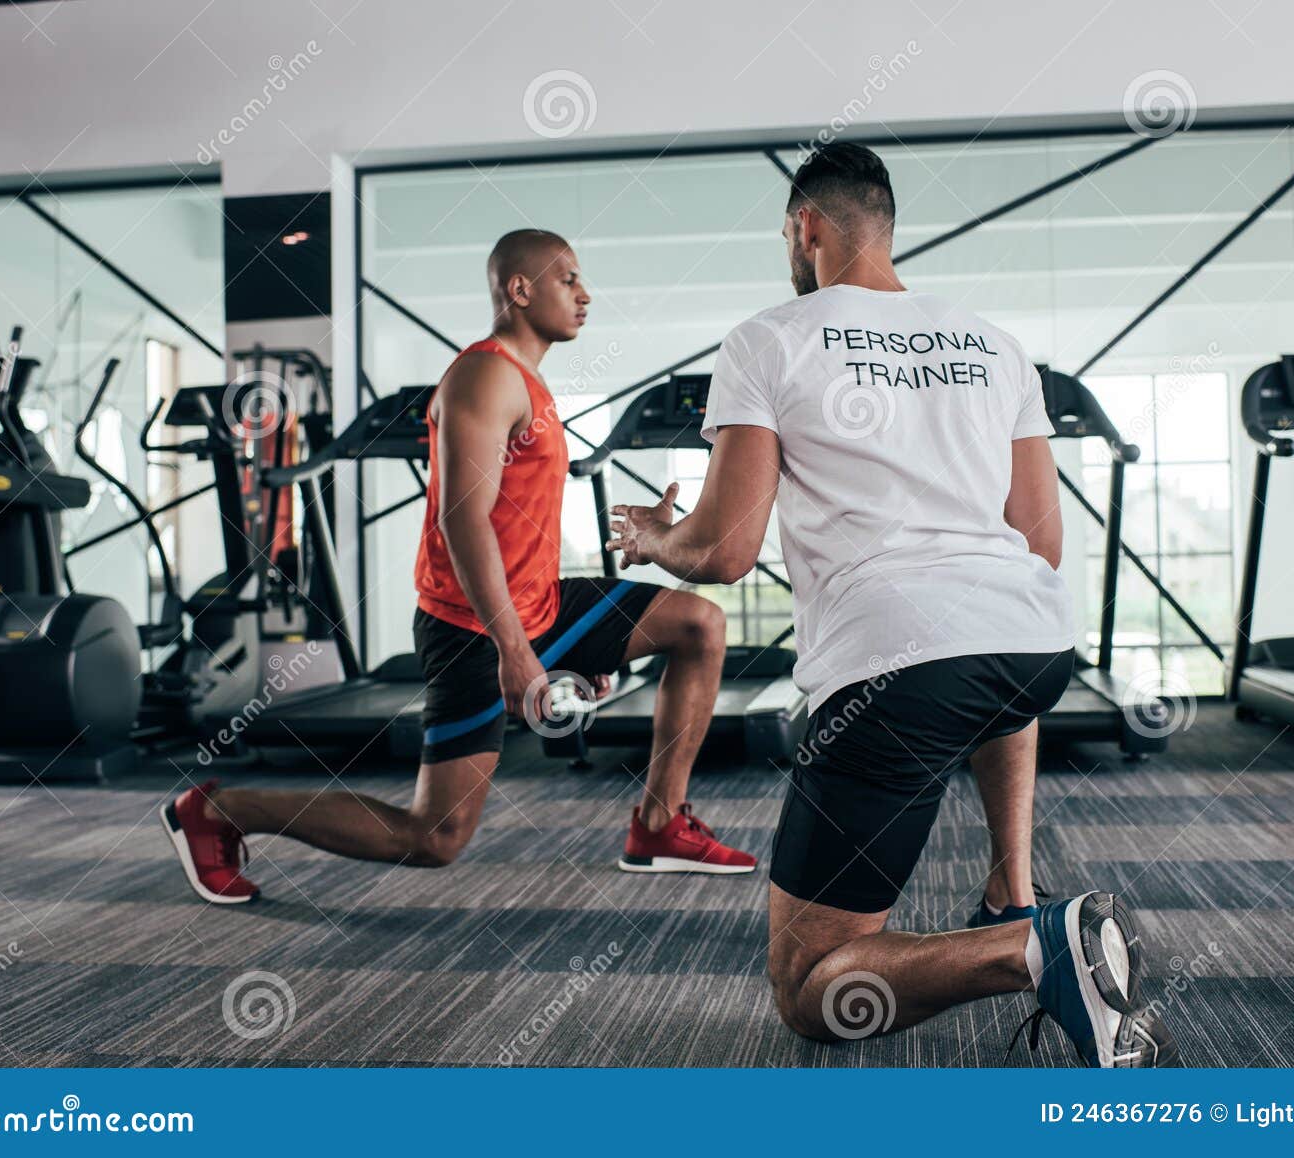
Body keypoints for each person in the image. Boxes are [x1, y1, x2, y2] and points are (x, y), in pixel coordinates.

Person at [606, 144, 1177, 1066]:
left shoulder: (769, 338)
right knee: (983, 635)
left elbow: (721, 548)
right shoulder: (994, 344)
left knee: (811, 987)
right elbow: (1038, 544)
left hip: (895, 663)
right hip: (1032, 641)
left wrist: (648, 541)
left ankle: (1037, 947)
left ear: (807, 227)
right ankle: (1011, 895)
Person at [163, 228, 755, 904]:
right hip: (473, 629)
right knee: (433, 836)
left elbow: (518, 526)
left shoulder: (528, 382)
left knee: (699, 625)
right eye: (568, 280)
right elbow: (463, 520)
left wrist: (584, 641)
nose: (586, 295)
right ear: (519, 289)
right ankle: (219, 811)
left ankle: (658, 826)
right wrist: (516, 651)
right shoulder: (484, 375)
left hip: (540, 601)